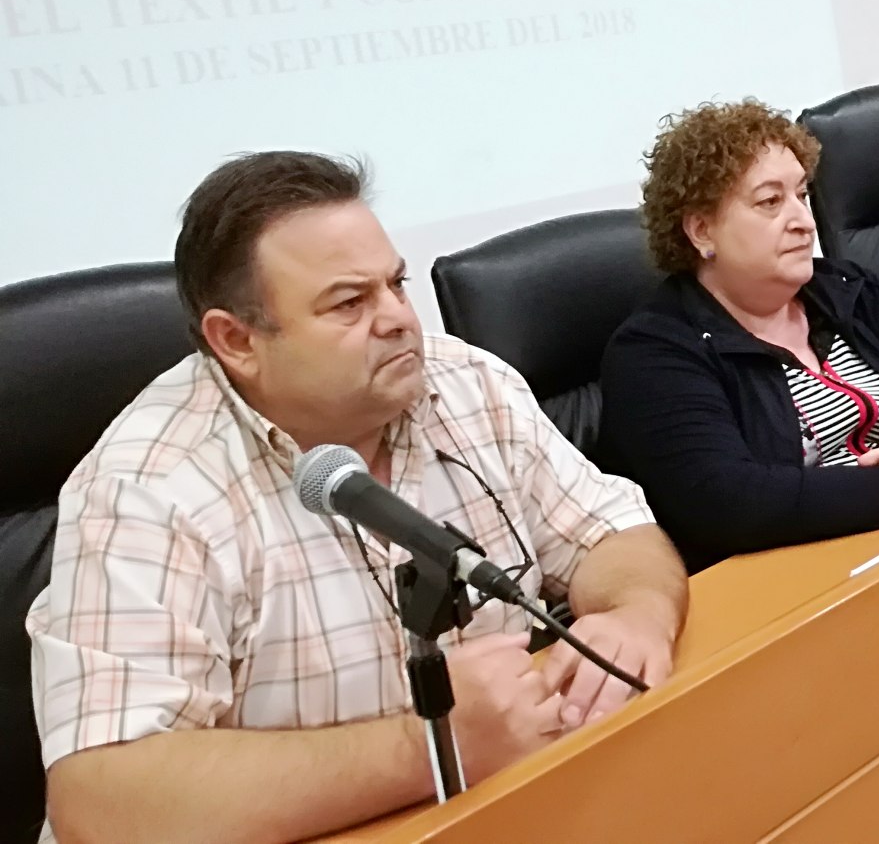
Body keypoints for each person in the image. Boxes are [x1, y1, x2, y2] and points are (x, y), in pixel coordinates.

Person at [28, 152, 689, 844]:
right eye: (350, 302)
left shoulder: (463, 383)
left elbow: (614, 530)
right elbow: (103, 803)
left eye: (396, 284)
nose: (399, 318)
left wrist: (636, 611)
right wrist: (426, 746)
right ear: (237, 340)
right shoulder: (149, 488)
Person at [600, 100, 879, 573]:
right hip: (798, 584)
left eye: (801, 195)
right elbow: (734, 505)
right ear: (701, 230)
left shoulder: (839, 290)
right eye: (770, 202)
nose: (804, 221)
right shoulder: (655, 353)